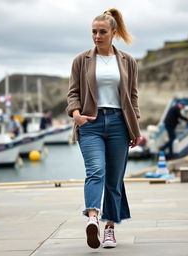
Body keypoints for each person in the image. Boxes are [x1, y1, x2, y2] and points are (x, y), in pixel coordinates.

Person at [66, 8, 141, 249]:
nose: (97, 36)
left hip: (120, 123)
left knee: (114, 179)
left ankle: (110, 228)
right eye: (93, 32)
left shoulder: (128, 61)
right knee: (96, 170)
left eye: (102, 32)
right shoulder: (81, 60)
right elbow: (73, 92)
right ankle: (93, 218)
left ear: (113, 32)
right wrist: (76, 114)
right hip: (90, 123)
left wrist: (135, 127)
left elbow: (133, 96)